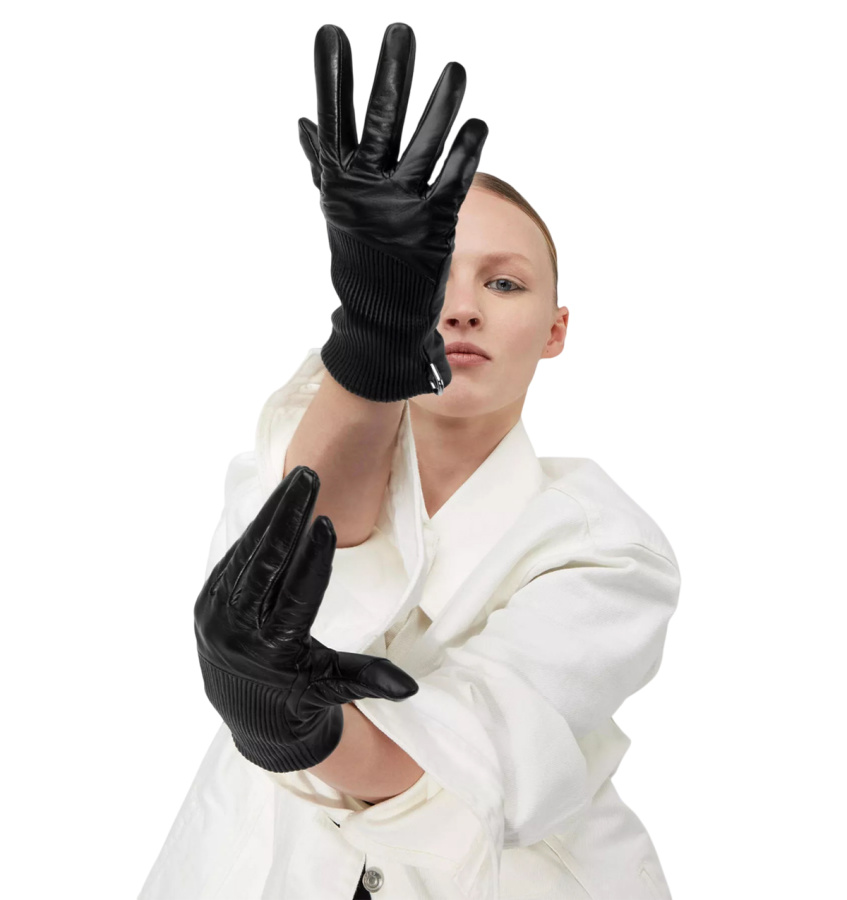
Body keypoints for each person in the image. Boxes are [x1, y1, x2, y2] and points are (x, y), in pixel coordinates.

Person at [138, 22, 681, 900]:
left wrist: (295, 729)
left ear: (555, 331)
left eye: (502, 282)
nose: (460, 309)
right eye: (435, 280)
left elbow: (460, 767)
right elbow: (328, 544)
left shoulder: (610, 550)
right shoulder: (283, 456)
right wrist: (375, 336)